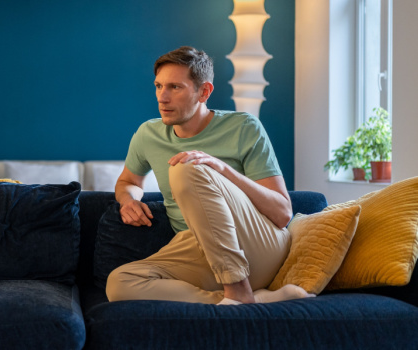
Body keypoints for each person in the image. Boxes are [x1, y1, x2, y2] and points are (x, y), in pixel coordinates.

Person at [105, 46, 314, 305]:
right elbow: (128, 182)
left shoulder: (244, 127)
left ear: (204, 92)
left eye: (175, 87)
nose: (162, 97)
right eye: (158, 86)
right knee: (119, 283)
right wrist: (128, 201)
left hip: (258, 246)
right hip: (201, 251)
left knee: (185, 168)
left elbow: (282, 214)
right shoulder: (148, 134)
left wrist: (221, 169)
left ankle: (237, 289)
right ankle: (253, 300)